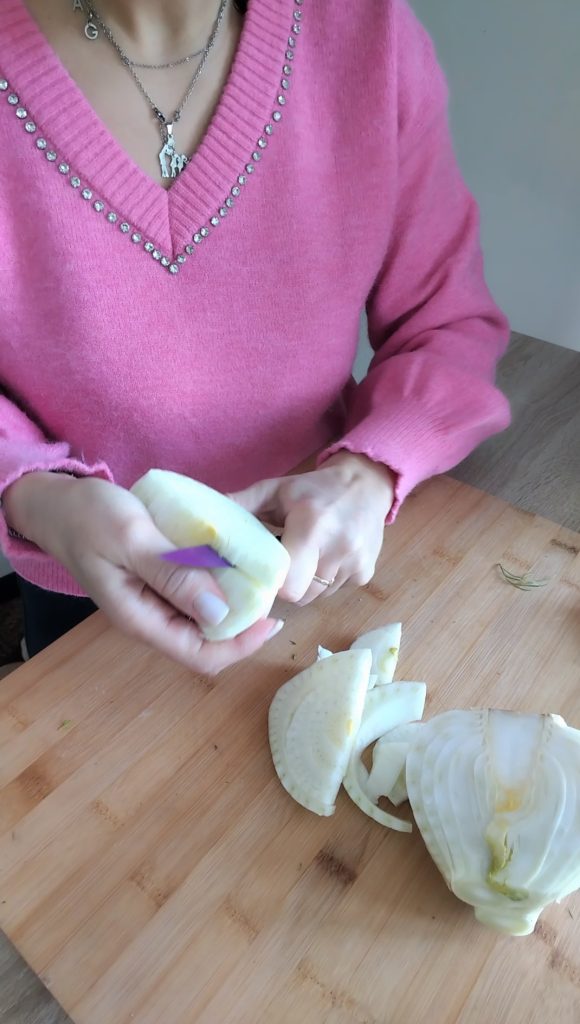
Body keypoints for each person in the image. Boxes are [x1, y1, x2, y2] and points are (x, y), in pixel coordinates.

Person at [0, 0, 510, 674]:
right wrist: (40, 497)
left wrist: (368, 470)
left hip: (318, 571)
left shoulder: (370, 38)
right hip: (74, 589)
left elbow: (446, 321)